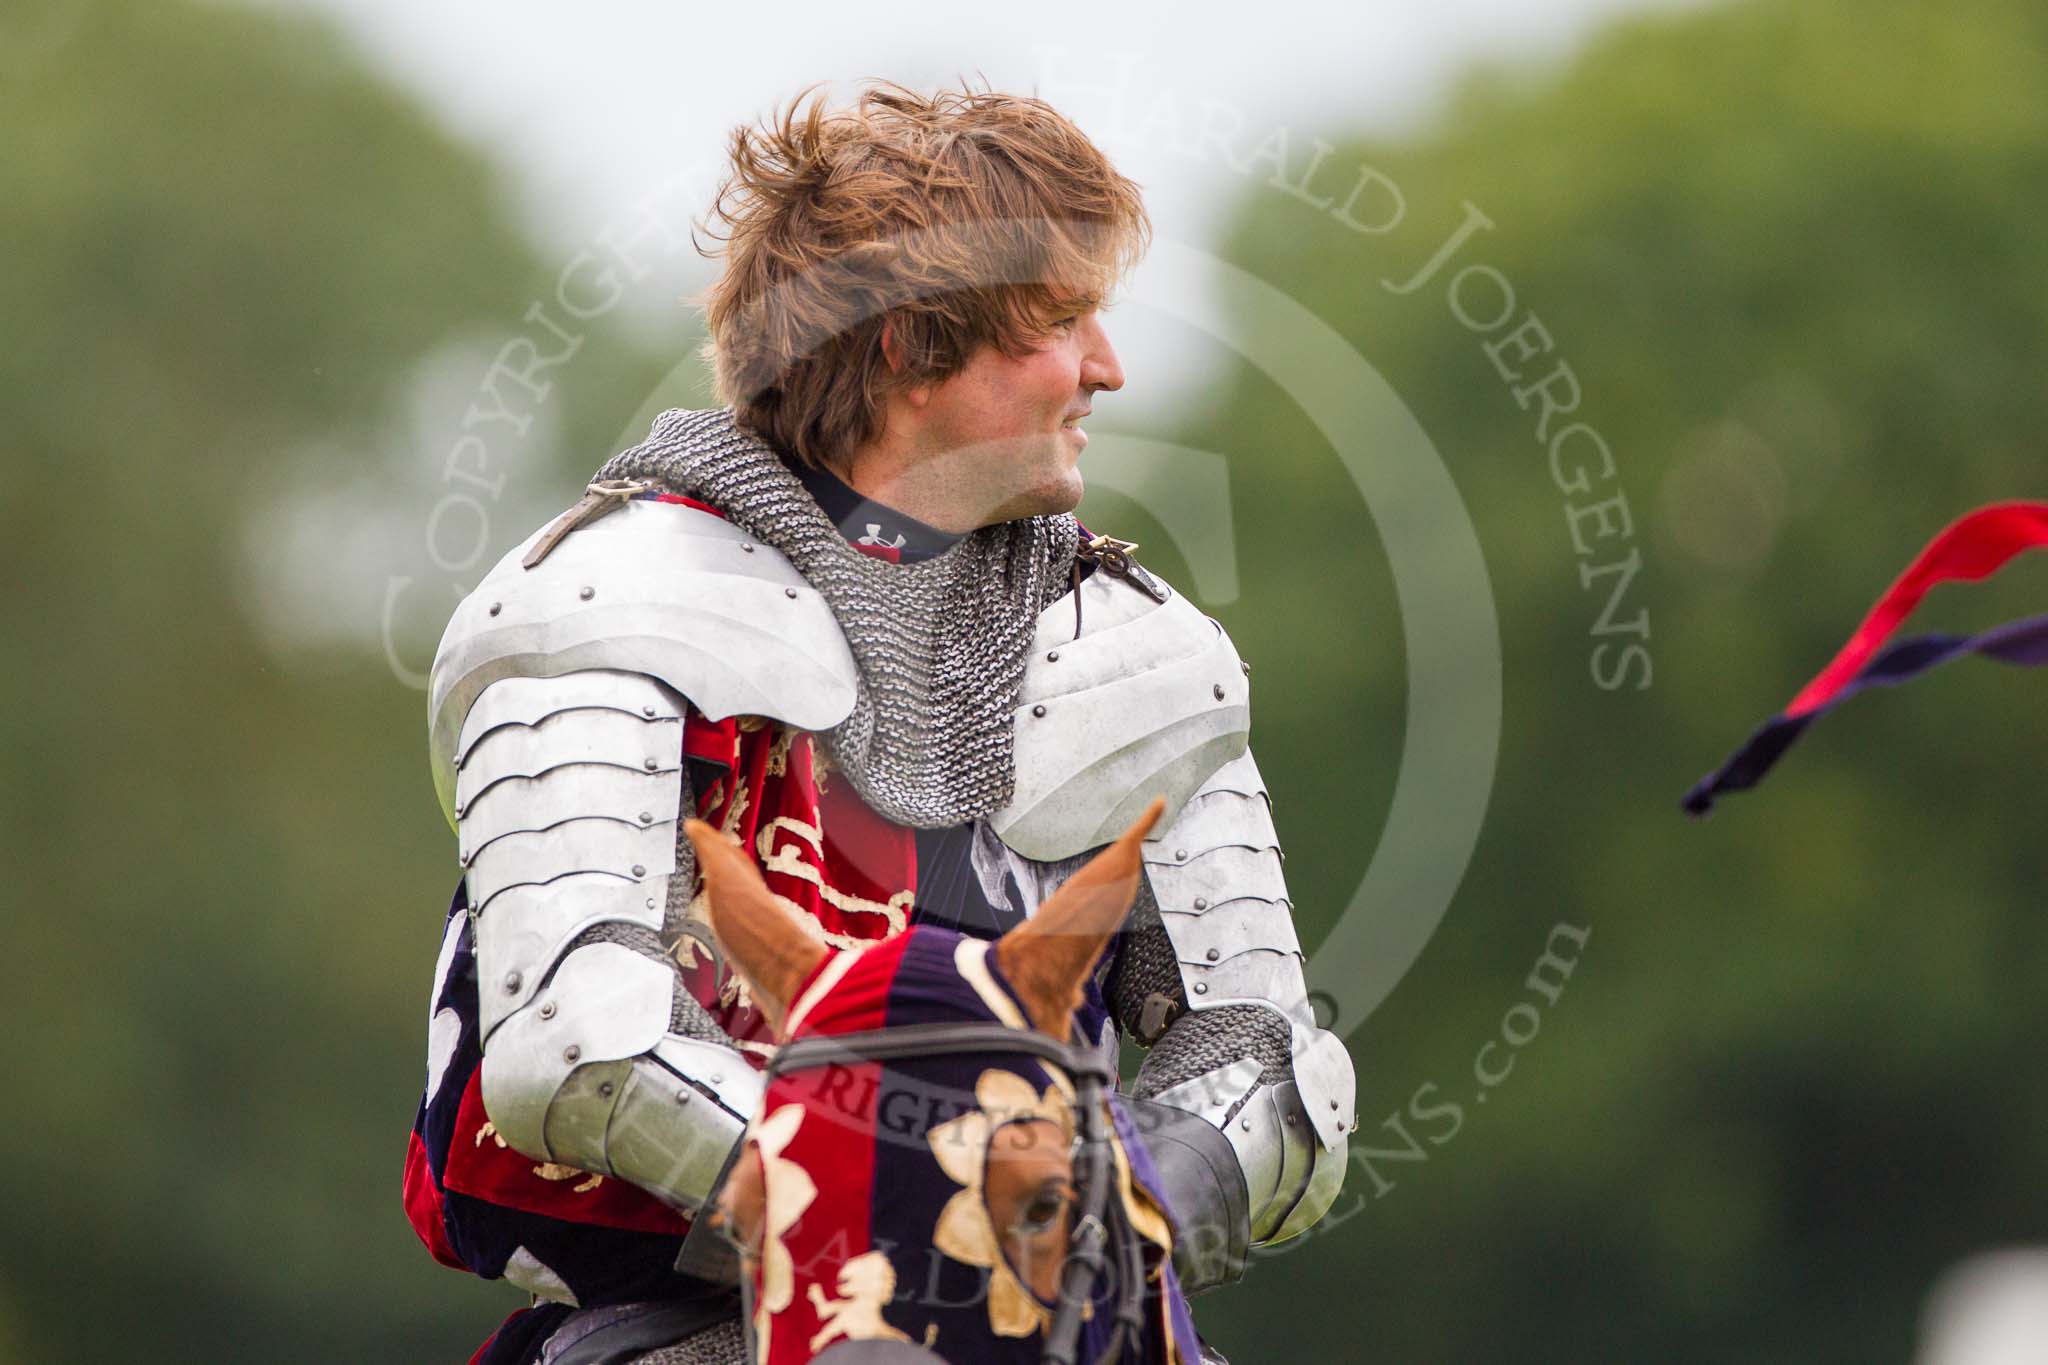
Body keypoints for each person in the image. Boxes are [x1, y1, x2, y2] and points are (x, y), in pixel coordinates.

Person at [405, 78, 1356, 1365]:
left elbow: (1267, 1065)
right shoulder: (612, 606)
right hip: (700, 1328)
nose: (1106, 368)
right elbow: (574, 1034)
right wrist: (879, 1214)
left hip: (1049, 1311)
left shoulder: (1133, 654)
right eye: (1062, 321)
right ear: (910, 346)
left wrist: (1113, 1213)